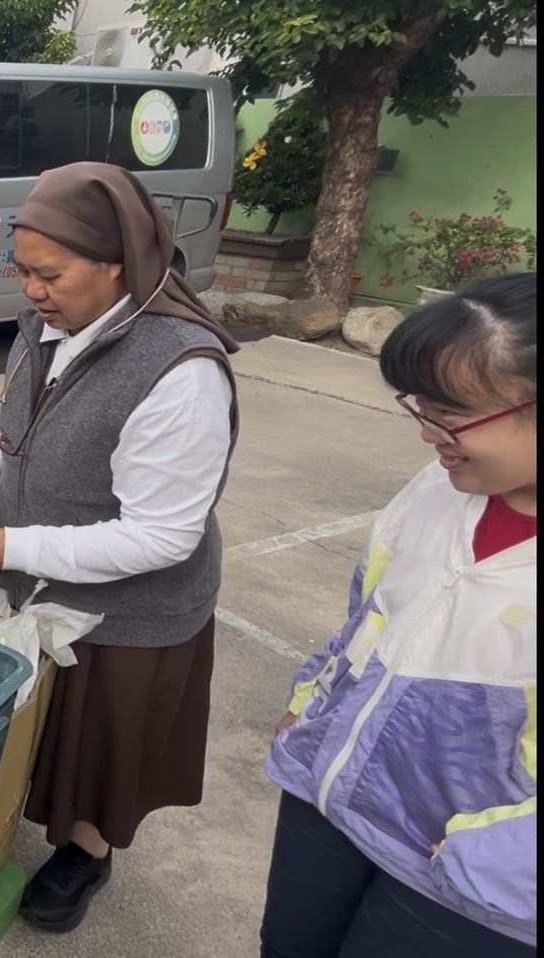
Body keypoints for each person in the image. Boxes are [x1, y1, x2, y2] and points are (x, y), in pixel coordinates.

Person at [0, 161, 240, 932]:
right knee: (47, 721)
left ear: (118, 264)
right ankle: (45, 818)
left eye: (49, 274)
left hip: (131, 607)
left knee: (102, 734)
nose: (31, 291)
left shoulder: (180, 369)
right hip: (43, 575)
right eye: (23, 271)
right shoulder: (45, 327)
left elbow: (161, 535)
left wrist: (9, 542)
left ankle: (86, 852)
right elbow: (7, 425)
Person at [261, 274, 536, 957]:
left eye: (448, 413)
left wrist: (484, 857)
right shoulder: (443, 486)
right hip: (332, 804)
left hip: (468, 882)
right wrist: (313, 702)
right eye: (417, 406)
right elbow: (370, 613)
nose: (425, 434)